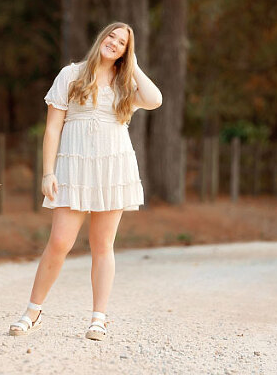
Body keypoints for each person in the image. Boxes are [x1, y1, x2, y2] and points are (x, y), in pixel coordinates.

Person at [9, 22, 162, 341]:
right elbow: (52, 129)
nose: (115, 43)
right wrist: (48, 172)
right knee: (60, 242)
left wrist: (133, 66)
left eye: (122, 43)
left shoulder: (126, 83)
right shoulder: (71, 75)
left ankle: (98, 318)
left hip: (112, 168)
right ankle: (32, 311)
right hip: (74, 169)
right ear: (101, 37)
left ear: (125, 52)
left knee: (103, 245)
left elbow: (155, 99)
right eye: (112, 36)